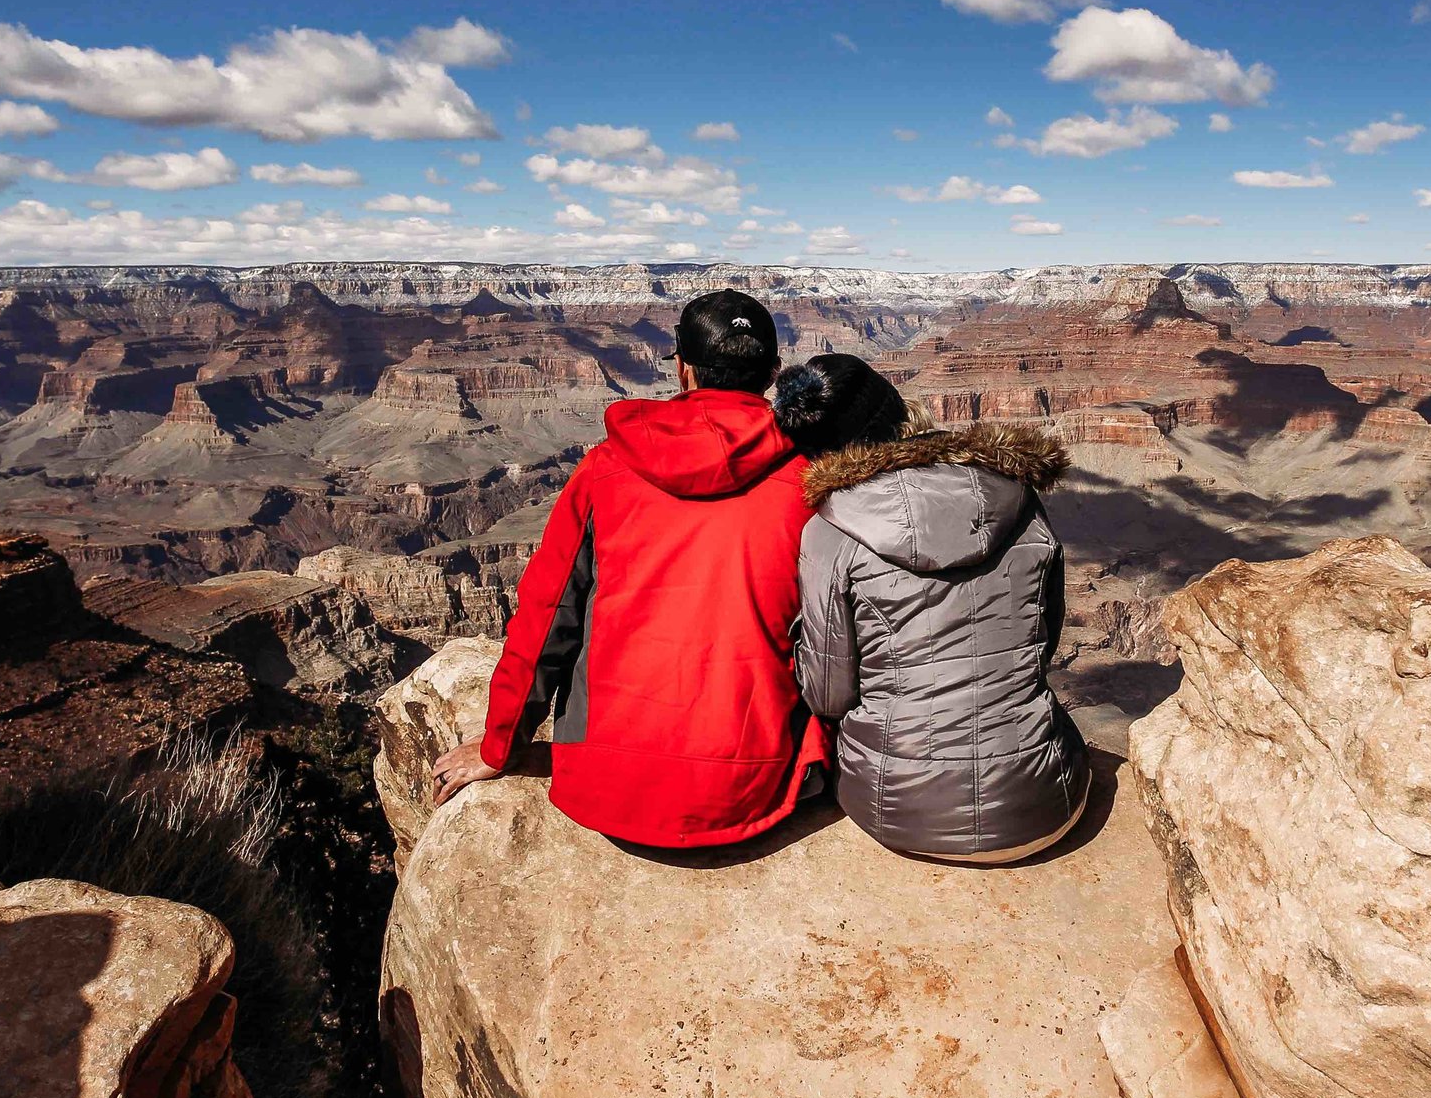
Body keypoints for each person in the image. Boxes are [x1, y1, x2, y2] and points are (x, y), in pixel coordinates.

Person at [429, 290, 828, 848]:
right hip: (759, 783)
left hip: (607, 785)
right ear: (773, 374)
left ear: (683, 369)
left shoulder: (605, 468)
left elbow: (547, 619)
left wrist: (500, 747)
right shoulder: (815, 478)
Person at [777, 353, 1091, 863]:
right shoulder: (1019, 497)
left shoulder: (829, 533)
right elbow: (1043, 641)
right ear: (899, 414)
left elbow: (828, 696)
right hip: (1045, 801)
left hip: (899, 813)